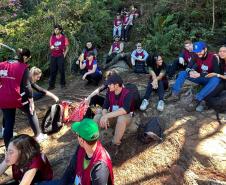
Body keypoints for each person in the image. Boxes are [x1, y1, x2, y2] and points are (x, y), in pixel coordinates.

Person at [38, 118, 114, 185]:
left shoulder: (100, 168)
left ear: (81, 140)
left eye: (77, 134)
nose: (76, 136)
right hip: (77, 180)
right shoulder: (82, 148)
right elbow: (72, 166)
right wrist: (62, 182)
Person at [0, 48, 48, 147]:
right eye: (28, 58)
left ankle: (7, 148)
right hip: (15, 97)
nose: (28, 60)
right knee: (31, 112)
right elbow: (27, 86)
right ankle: (39, 135)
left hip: (3, 97)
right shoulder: (23, 67)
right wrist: (31, 102)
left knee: (9, 123)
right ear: (25, 57)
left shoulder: (2, 65)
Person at [168, 41, 221, 111]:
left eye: (200, 51)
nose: (198, 53)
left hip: (208, 79)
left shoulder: (213, 57)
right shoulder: (195, 55)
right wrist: (191, 71)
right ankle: (175, 94)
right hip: (197, 77)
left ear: (205, 49)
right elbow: (188, 67)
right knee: (183, 73)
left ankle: (197, 99)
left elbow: (216, 72)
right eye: (196, 51)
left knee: (216, 79)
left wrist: (200, 74)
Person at [94, 74, 134, 154]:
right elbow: (105, 106)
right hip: (112, 115)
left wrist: (106, 116)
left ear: (116, 85)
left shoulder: (128, 94)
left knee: (121, 119)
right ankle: (92, 140)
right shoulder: (109, 92)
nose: (108, 86)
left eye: (110, 84)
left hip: (125, 117)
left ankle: (115, 143)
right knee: (97, 117)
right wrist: (105, 116)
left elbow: (124, 110)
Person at [48, 24, 69, 90]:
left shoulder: (64, 38)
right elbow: (51, 46)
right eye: (55, 29)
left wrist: (64, 55)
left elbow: (67, 48)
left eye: (57, 29)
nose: (55, 30)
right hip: (53, 56)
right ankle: (51, 85)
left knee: (61, 70)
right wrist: (52, 47)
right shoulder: (52, 37)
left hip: (60, 56)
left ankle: (63, 84)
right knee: (53, 71)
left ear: (60, 30)